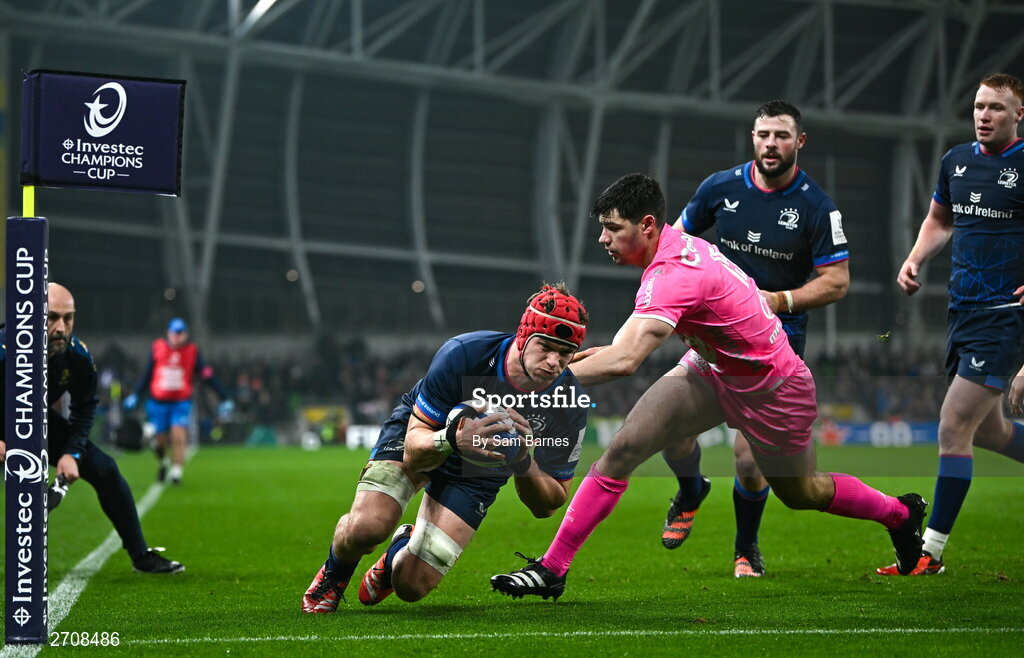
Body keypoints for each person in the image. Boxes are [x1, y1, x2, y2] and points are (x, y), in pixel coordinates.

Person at [490, 174, 923, 600]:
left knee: (801, 491)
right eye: (602, 227)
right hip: (712, 367)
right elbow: (623, 345)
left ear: (646, 226)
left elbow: (625, 360)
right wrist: (564, 365)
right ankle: (553, 568)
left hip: (773, 389)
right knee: (626, 446)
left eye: (612, 228)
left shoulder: (673, 273)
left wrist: (528, 381)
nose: (602, 238)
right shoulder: (675, 247)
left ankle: (900, 514)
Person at [301, 283, 591, 612]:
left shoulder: (568, 402)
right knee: (367, 528)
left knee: (411, 585)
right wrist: (451, 439)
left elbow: (549, 503)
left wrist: (522, 461)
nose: (553, 362)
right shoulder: (466, 354)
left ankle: (399, 549)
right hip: (428, 432)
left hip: (483, 467)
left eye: (564, 353)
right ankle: (335, 573)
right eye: (545, 347)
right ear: (524, 336)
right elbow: (413, 450)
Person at [659, 100, 850, 578]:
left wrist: (776, 300)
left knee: (748, 459)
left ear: (799, 142)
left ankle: (746, 548)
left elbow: (837, 281)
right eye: (763, 134)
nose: (771, 144)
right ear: (752, 137)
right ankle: (690, 489)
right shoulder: (720, 188)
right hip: (715, 338)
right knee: (672, 430)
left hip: (774, 348)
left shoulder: (817, 207)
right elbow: (676, 241)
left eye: (782, 136)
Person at [885, 73, 1024, 575]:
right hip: (961, 310)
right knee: (989, 431)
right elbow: (941, 220)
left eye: (997, 108)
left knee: (953, 426)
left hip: (1006, 317)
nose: (985, 115)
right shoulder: (956, 161)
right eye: (979, 107)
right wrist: (916, 257)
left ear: (1018, 116)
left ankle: (930, 553)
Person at [0, 283, 184, 574]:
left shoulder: (78, 358)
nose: (61, 327)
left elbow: (84, 410)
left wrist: (71, 453)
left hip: (35, 421)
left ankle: (140, 555)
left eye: (68, 318)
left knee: (106, 469)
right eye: (51, 317)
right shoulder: (3, 347)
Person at [124, 318, 232, 484]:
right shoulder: (158, 348)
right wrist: (137, 394)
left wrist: (224, 396)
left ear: (186, 334)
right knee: (159, 441)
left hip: (181, 402)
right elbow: (147, 374)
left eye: (180, 333)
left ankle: (176, 472)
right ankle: (163, 462)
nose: (177, 337)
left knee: (178, 433)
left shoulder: (192, 352)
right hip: (158, 402)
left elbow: (207, 375)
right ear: (168, 333)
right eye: (175, 333)